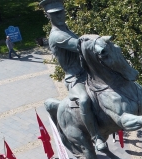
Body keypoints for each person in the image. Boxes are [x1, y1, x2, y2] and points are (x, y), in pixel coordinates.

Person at [41, 0, 108, 151]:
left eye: (60, 12)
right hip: (74, 77)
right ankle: (96, 136)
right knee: (84, 100)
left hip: (87, 72)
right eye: (54, 14)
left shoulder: (66, 29)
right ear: (48, 16)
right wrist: (99, 45)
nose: (59, 16)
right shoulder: (57, 35)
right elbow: (79, 45)